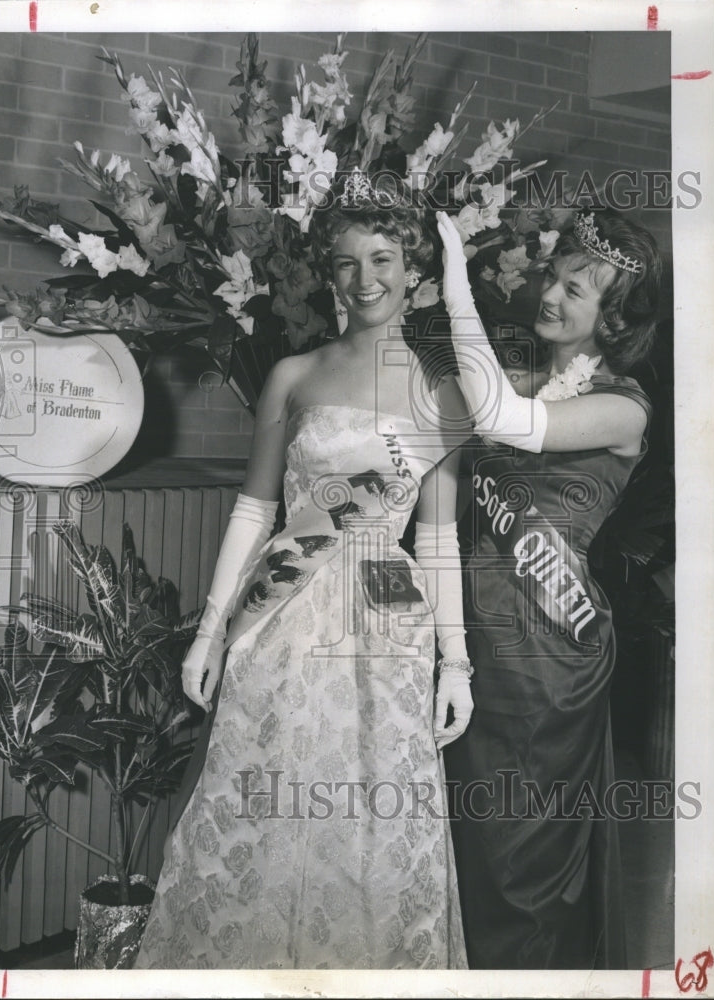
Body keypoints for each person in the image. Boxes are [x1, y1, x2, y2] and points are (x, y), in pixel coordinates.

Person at [134, 170, 472, 970]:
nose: (365, 279)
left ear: (413, 270)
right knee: (260, 797)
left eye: (382, 259)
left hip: (385, 614)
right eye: (347, 263)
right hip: (284, 610)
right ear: (328, 275)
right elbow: (253, 511)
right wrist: (209, 632)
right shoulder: (293, 374)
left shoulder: (446, 392)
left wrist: (455, 662)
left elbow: (437, 540)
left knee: (374, 813)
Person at [436, 207, 663, 969]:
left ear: (615, 317)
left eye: (576, 289)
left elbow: (502, 421)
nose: (551, 296)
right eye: (553, 278)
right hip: (466, 635)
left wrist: (455, 282)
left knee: (520, 852)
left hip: (546, 650)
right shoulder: (517, 375)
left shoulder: (622, 405)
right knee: (458, 839)